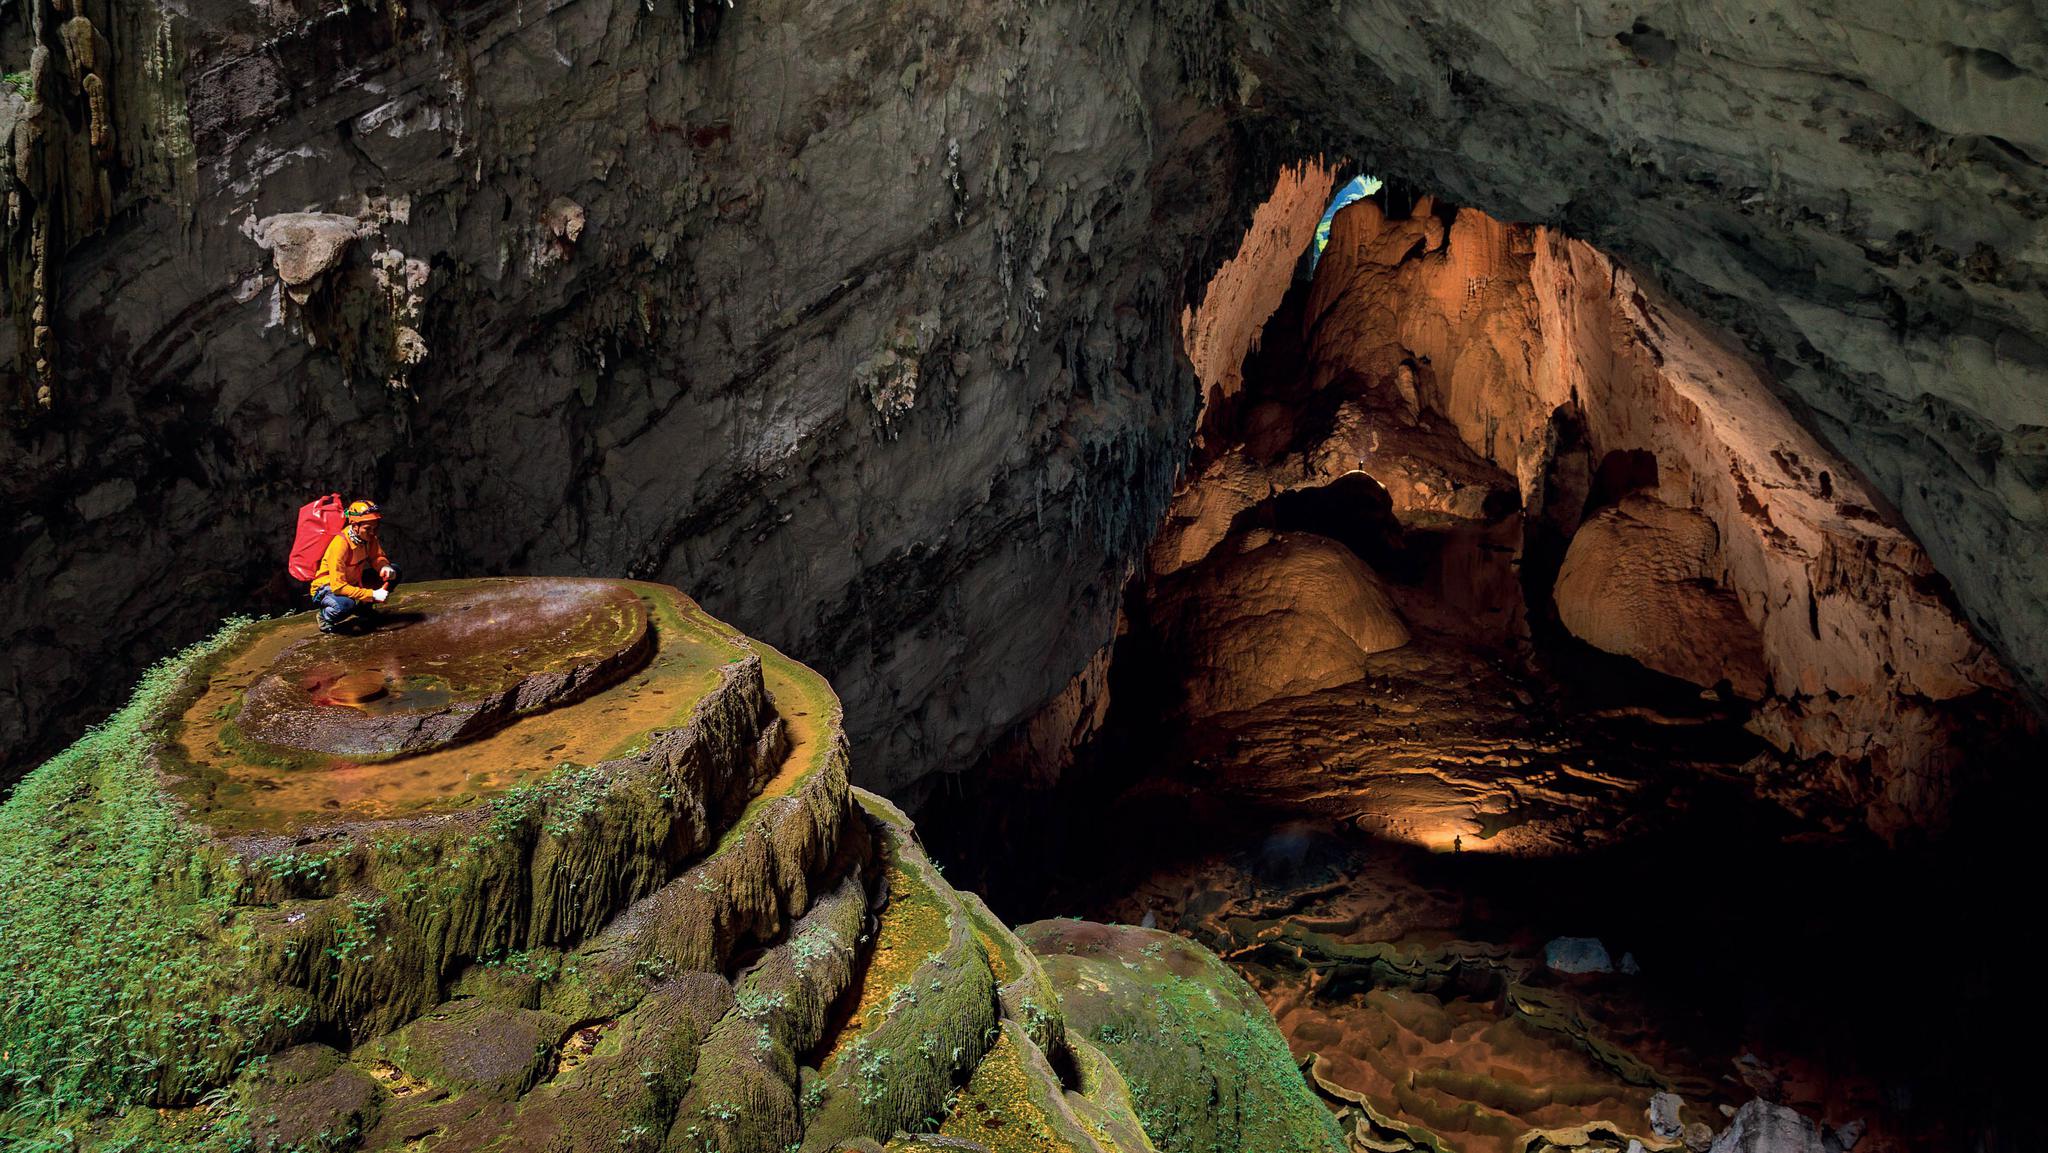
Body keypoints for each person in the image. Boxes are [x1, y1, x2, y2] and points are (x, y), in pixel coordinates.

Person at [310, 500, 400, 634]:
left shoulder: (369, 537)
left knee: (395, 570)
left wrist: (384, 567)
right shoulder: (340, 545)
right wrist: (372, 594)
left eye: (375, 528)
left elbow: (376, 557)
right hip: (328, 587)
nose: (372, 532)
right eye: (368, 528)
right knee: (345, 606)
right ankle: (325, 617)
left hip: (352, 580)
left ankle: (364, 609)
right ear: (354, 525)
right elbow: (338, 587)